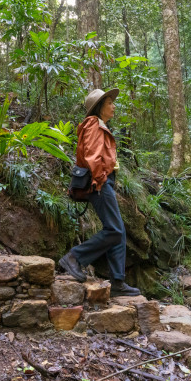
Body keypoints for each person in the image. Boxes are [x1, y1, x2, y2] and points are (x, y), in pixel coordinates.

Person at [59, 88, 141, 297]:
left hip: (103, 181)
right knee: (114, 230)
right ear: (99, 107)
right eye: (109, 103)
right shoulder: (94, 125)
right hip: (100, 182)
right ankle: (74, 257)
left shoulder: (100, 125)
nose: (113, 106)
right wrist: (99, 180)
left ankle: (118, 281)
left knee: (118, 230)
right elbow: (93, 156)